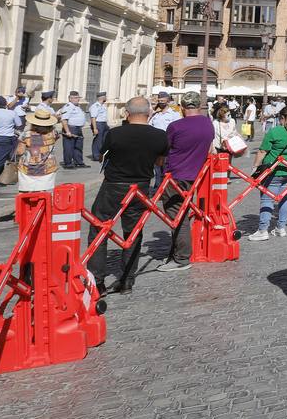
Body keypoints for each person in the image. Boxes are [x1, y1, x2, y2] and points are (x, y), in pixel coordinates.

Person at [86, 97, 169, 294]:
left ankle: (97, 281)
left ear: (126, 113)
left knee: (99, 229)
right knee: (133, 232)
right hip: (140, 187)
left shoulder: (115, 133)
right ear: (149, 113)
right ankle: (127, 280)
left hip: (113, 186)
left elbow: (103, 157)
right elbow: (159, 162)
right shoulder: (160, 135)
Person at [159, 91, 215, 272]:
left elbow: (165, 150)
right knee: (182, 215)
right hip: (196, 176)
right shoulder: (208, 124)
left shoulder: (176, 126)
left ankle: (181, 258)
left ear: (182, 108)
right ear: (199, 106)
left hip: (175, 176)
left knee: (178, 216)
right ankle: (176, 253)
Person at [249, 106, 287, 241]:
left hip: (274, 170)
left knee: (267, 198)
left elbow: (262, 151)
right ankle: (281, 228)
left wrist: (255, 167)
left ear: (282, 118)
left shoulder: (275, 132)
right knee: (285, 199)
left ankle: (263, 230)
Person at [14, 106, 61, 194]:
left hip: (28, 168)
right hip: (48, 168)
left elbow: (20, 151)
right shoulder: (54, 133)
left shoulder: (26, 134)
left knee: (26, 194)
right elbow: (55, 139)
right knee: (44, 194)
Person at [57, 91, 89, 169]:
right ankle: (68, 163)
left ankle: (78, 162)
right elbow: (64, 120)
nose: (78, 99)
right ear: (71, 98)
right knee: (69, 147)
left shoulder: (77, 106)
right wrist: (67, 131)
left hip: (78, 129)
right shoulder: (68, 107)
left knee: (78, 146)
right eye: (76, 98)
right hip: (71, 128)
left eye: (78, 98)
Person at [88, 92, 110, 162]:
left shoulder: (103, 105)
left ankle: (103, 154)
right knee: (98, 140)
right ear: (102, 98)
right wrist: (94, 128)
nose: (106, 98)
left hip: (104, 124)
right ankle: (96, 155)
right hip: (98, 124)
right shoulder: (95, 106)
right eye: (106, 97)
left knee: (105, 139)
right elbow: (93, 118)